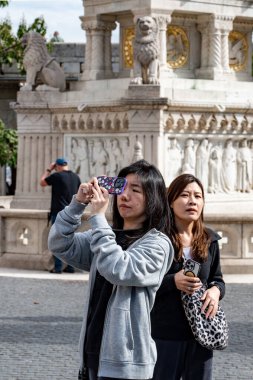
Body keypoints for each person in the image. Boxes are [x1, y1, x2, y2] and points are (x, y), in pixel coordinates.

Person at [48, 159, 174, 380]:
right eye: (122, 188)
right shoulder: (106, 236)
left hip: (127, 364)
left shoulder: (157, 244)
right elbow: (60, 244)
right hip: (92, 355)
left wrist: (97, 218)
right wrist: (77, 204)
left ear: (153, 198)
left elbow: (119, 269)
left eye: (136, 190)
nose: (124, 196)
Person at [151, 173, 225, 380]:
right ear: (171, 201)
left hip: (201, 333)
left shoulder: (209, 239)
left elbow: (217, 279)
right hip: (165, 333)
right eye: (185, 195)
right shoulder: (157, 239)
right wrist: (173, 281)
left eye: (198, 196)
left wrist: (215, 290)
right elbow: (141, 282)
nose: (192, 201)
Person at [40, 157, 81, 273]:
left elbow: (42, 182)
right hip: (73, 213)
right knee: (71, 241)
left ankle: (58, 268)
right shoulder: (75, 177)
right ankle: (70, 267)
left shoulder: (56, 176)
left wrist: (49, 169)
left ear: (57, 166)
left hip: (58, 213)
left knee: (56, 240)